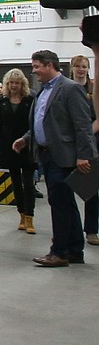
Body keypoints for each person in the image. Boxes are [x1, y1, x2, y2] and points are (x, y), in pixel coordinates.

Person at [14, 50, 96, 267]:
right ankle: (75, 250)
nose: (34, 71)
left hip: (64, 157)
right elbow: (45, 122)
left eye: (36, 66)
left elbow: (83, 126)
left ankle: (59, 252)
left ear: (50, 65)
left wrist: (84, 156)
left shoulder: (71, 89)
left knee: (59, 203)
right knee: (66, 203)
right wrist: (26, 139)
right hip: (46, 154)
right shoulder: (43, 92)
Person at [0, 68, 36, 233]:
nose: (13, 86)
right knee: (16, 183)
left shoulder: (30, 100)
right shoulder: (0, 102)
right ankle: (22, 215)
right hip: (8, 148)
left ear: (22, 84)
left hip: (27, 147)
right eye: (11, 83)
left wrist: (28, 141)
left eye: (17, 83)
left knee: (28, 184)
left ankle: (30, 217)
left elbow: (33, 124)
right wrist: (3, 143)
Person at [69, 54, 99, 246]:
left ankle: (91, 230)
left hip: (91, 143)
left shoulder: (94, 89)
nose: (81, 69)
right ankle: (69, 230)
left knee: (91, 189)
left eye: (85, 66)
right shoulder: (64, 88)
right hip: (67, 144)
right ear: (72, 68)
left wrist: (84, 136)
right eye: (78, 66)